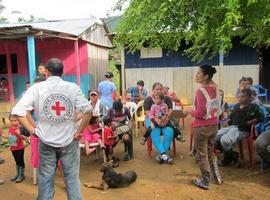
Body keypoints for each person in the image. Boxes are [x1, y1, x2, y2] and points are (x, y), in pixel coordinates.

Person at [12, 58, 92, 200]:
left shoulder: (36, 88)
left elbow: (18, 111)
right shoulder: (73, 88)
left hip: (46, 142)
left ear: (46, 72)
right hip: (69, 141)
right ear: (62, 72)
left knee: (45, 180)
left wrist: (33, 130)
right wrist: (79, 131)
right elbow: (88, 110)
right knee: (72, 180)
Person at [183, 64, 222, 189]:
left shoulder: (201, 91)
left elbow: (200, 113)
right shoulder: (215, 87)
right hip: (214, 125)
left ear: (205, 76)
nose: (196, 75)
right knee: (210, 151)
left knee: (201, 154)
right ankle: (217, 176)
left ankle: (206, 181)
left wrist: (188, 111)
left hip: (202, 127)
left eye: (199, 73)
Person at [215, 88, 264, 167]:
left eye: (243, 97)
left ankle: (226, 160)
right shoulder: (237, 106)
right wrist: (228, 121)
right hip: (232, 127)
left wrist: (252, 121)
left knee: (224, 140)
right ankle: (233, 155)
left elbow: (262, 117)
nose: (240, 98)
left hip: (243, 130)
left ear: (249, 97)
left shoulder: (254, 107)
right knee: (214, 137)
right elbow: (231, 117)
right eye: (239, 96)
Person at [143, 82, 174, 164]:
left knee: (169, 132)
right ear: (153, 90)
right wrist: (156, 120)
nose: (159, 91)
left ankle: (161, 155)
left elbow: (170, 110)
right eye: (156, 89)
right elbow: (147, 113)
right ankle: (164, 155)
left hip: (165, 120)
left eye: (160, 89)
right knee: (154, 132)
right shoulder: (148, 99)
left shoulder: (167, 99)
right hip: (152, 120)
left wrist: (166, 119)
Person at [8, 114, 28, 183]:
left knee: (20, 161)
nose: (13, 122)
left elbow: (25, 138)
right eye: (11, 121)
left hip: (20, 148)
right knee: (16, 161)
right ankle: (17, 174)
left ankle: (21, 175)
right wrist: (10, 145)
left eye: (15, 120)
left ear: (19, 120)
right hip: (13, 148)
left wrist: (19, 134)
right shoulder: (10, 128)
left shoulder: (21, 128)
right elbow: (10, 138)